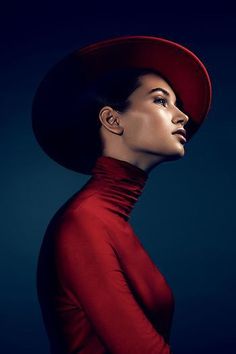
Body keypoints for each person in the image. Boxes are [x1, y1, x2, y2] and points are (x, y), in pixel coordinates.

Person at [32, 36, 212, 354]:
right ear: (112, 120)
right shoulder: (84, 222)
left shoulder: (106, 219)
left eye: (177, 104)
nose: (181, 115)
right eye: (161, 101)